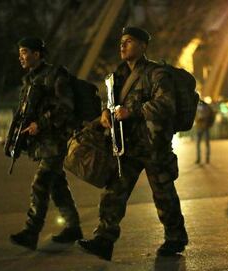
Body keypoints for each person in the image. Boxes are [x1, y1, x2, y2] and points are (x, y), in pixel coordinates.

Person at [77, 27, 188, 260]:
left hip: (153, 145)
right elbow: (111, 104)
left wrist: (132, 112)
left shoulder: (157, 73)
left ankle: (175, 238)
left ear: (143, 46)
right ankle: (104, 240)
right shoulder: (116, 76)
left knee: (163, 194)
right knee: (113, 192)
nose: (122, 45)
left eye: (128, 41)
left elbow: (166, 105)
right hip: (127, 146)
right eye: (121, 42)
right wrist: (106, 113)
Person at [8, 37, 82, 250]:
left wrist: (40, 124)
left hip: (56, 141)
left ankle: (31, 232)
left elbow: (67, 106)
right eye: (20, 52)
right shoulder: (29, 80)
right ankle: (73, 227)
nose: (20, 56)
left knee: (40, 184)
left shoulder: (54, 75)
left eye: (24, 51)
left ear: (37, 54)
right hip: (43, 143)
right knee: (57, 186)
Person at [194, 100, 215, 164]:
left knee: (198, 144)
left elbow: (196, 116)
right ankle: (207, 158)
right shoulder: (207, 107)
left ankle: (199, 159)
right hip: (205, 127)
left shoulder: (198, 107)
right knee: (206, 144)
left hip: (201, 127)